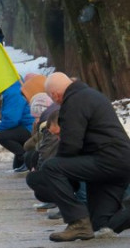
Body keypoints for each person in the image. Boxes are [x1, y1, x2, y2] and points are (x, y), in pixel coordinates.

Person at [28, 72, 130, 242]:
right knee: (101, 226)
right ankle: (85, 224)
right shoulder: (91, 95)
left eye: (53, 99)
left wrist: (65, 180)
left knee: (51, 167)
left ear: (55, 95)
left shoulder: (74, 101)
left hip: (107, 162)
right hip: (119, 163)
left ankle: (77, 223)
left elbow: (70, 146)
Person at [0, 81, 35, 172]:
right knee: (16, 167)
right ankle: (24, 161)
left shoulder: (12, 91)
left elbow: (12, 119)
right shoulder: (15, 86)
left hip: (29, 128)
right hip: (26, 127)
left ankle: (28, 161)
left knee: (2, 135)